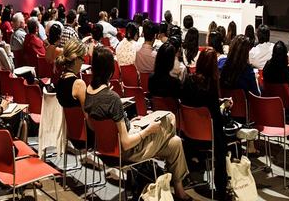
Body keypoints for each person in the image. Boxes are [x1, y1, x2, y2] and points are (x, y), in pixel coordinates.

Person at [84, 47, 191, 200]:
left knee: (175, 142)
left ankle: (178, 190)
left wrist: (127, 123)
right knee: (169, 119)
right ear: (110, 70)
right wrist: (148, 131)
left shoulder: (88, 91)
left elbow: (92, 125)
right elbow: (126, 143)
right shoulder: (112, 98)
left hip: (105, 149)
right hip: (127, 152)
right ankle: (165, 180)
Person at [181, 48, 232, 201]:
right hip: (209, 136)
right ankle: (222, 186)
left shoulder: (188, 80)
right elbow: (216, 117)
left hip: (188, 133)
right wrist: (226, 110)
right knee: (224, 137)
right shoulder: (211, 86)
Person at [55, 38, 88, 108]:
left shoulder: (60, 79)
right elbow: (87, 114)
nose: (83, 62)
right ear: (76, 59)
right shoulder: (79, 84)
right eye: (82, 59)